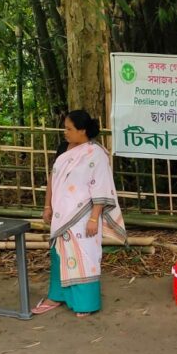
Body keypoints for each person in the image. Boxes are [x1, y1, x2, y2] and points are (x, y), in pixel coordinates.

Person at [32, 110, 126, 318]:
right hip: (61, 215)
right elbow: (53, 178)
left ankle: (85, 303)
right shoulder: (63, 149)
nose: (64, 132)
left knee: (84, 257)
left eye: (69, 129)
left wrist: (94, 218)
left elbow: (100, 187)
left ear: (82, 131)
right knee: (59, 255)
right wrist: (48, 206)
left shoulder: (96, 154)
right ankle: (55, 296)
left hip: (84, 216)